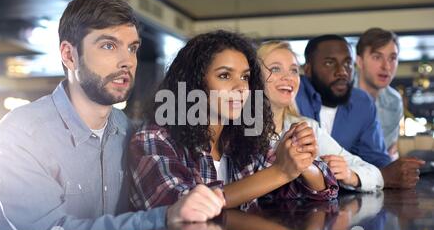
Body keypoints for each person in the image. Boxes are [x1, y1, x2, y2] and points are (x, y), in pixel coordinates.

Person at [0, 0, 224, 230]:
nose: (127, 62)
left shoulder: (132, 132)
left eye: (132, 48)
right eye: (108, 46)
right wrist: (164, 216)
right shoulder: (20, 133)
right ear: (69, 55)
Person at [129, 30, 338, 212]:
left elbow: (317, 191)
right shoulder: (155, 138)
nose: (241, 88)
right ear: (194, 83)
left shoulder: (243, 138)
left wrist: (301, 159)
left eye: (245, 77)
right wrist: (281, 171)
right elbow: (182, 206)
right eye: (224, 76)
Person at [296, 34, 424, 189]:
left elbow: (376, 160)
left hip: (344, 202)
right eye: (330, 63)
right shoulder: (292, 95)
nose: (342, 72)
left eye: (347, 63)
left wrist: (396, 171)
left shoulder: (361, 103)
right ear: (308, 69)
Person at [258, 40, 383, 192]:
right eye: (276, 69)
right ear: (254, 77)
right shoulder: (240, 126)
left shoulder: (306, 127)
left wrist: (351, 175)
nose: (288, 77)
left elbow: (376, 176)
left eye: (294, 70)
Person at [355, 28, 403, 160]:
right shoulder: (340, 92)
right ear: (359, 61)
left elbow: (385, 153)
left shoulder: (394, 101)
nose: (386, 66)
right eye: (377, 57)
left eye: (392, 58)